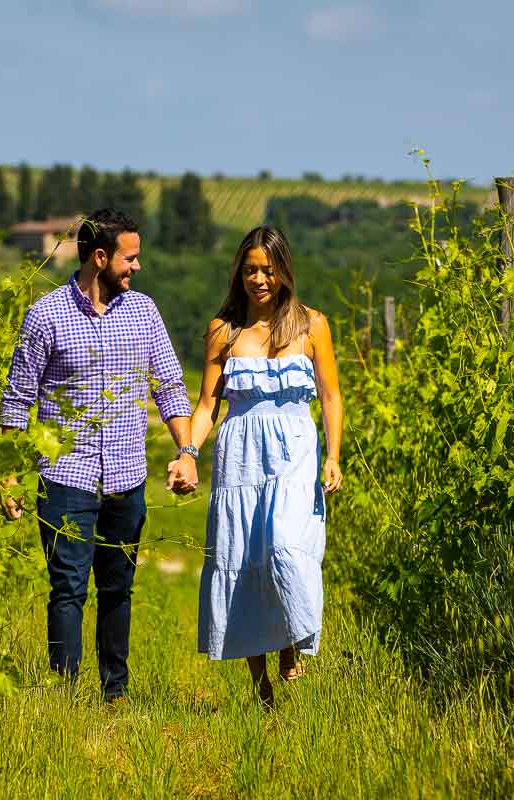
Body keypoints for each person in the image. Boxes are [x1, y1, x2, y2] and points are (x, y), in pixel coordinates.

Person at [0, 208, 199, 703]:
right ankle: (63, 698)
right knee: (67, 588)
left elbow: (171, 386)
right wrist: (8, 474)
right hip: (66, 475)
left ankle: (116, 693)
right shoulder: (45, 315)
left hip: (127, 476)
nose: (137, 267)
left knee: (118, 587)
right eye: (130, 258)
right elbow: (18, 398)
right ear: (100, 257)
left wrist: (187, 450)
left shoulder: (144, 312)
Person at [177, 224, 343, 708]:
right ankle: (259, 683)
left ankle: (291, 638)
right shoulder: (223, 331)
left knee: (286, 547)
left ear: (284, 270)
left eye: (267, 270)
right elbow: (207, 406)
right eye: (250, 270)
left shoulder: (313, 326)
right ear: (238, 273)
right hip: (239, 452)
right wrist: (187, 454)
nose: (259, 279)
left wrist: (333, 456)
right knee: (244, 556)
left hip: (294, 447)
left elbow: (331, 396)